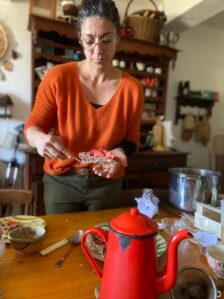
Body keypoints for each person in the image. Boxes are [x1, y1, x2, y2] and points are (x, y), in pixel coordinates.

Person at [24, 0, 144, 214]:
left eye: (106, 40)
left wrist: (118, 154)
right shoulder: (57, 77)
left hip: (106, 183)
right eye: (89, 41)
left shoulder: (132, 89)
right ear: (80, 38)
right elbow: (33, 127)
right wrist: (40, 139)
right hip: (62, 181)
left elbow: (132, 140)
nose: (98, 51)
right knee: (62, 242)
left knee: (101, 243)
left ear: (117, 37)